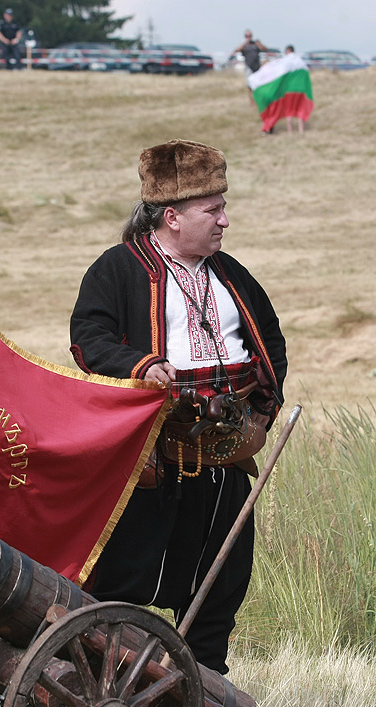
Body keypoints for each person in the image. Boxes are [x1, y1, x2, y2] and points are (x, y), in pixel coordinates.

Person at [70, 139, 286, 673]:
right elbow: (87, 340)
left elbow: (271, 347)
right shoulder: (117, 270)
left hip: (225, 462)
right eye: (212, 210)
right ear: (172, 217)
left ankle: (204, 699)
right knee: (122, 583)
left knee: (218, 589)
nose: (224, 221)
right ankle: (104, 687)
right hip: (151, 463)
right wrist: (140, 366)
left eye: (222, 207)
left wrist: (257, 416)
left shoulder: (231, 274)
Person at [235, 28, 268, 103]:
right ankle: (252, 101)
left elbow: (266, 49)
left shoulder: (255, 44)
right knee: (250, 86)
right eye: (247, 36)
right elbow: (236, 50)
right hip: (249, 67)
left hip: (257, 67)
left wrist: (260, 44)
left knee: (258, 85)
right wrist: (245, 43)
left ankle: (258, 100)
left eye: (250, 36)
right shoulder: (244, 46)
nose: (249, 37)